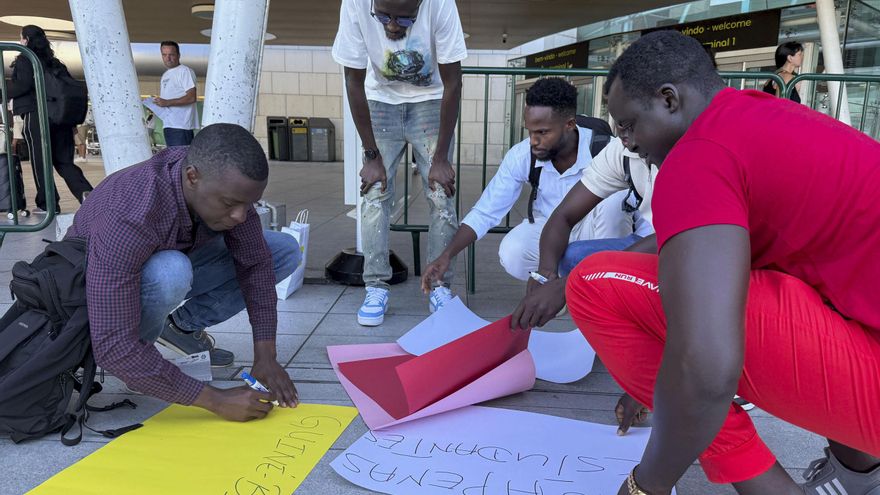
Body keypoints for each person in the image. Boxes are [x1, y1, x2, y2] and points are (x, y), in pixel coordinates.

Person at [564, 30, 880, 495]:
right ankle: (859, 473)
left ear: (669, 100)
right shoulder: (756, 115)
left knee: (593, 285)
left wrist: (645, 485)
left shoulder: (698, 156)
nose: (626, 143)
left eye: (628, 126)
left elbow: (707, 370)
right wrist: (646, 379)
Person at [65, 123, 301, 421]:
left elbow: (256, 265)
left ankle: (178, 327)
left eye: (248, 205)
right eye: (230, 204)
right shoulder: (130, 213)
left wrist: (266, 355)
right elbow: (112, 346)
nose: (241, 216)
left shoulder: (214, 179)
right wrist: (216, 400)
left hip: (162, 260)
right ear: (192, 177)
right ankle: (143, 360)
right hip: (98, 299)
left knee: (282, 250)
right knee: (170, 272)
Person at [421, 78, 639, 292]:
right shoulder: (522, 154)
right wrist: (446, 255)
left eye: (542, 132)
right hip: (550, 229)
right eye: (530, 131)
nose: (533, 141)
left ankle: (604, 287)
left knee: (614, 203)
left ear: (569, 125)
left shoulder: (608, 149)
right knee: (512, 251)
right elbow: (486, 211)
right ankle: (561, 286)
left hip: (597, 231)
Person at [332, 0, 466, 326]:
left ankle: (439, 286)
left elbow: (453, 82)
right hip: (380, 102)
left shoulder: (440, 5)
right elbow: (352, 81)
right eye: (383, 16)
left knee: (441, 192)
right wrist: (371, 156)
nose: (392, 26)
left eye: (404, 19)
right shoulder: (355, 3)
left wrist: (441, 158)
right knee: (374, 192)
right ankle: (376, 286)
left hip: (431, 101)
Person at [509, 135, 654, 329]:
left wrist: (569, 284)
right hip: (650, 241)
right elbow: (563, 215)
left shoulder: (690, 155)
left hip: (679, 253)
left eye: (633, 123)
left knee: (600, 272)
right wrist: (545, 273)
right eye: (621, 125)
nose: (628, 139)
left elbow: (674, 242)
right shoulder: (622, 150)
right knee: (573, 256)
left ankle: (632, 319)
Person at [7, 25, 93, 214]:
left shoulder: (26, 58)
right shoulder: (55, 63)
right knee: (64, 162)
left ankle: (48, 204)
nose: (20, 41)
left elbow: (23, 85)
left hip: (36, 115)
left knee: (41, 162)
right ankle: (89, 197)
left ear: (26, 40)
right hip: (60, 117)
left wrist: (3, 92)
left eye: (21, 38)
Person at [153, 41, 199, 146]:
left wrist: (167, 102)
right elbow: (167, 100)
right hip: (169, 125)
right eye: (164, 55)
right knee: (173, 156)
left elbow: (191, 97)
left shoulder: (184, 71)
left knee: (180, 156)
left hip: (181, 127)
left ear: (178, 55)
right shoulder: (165, 75)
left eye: (171, 54)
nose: (168, 58)